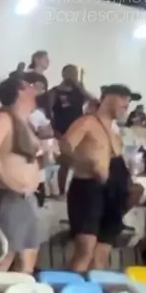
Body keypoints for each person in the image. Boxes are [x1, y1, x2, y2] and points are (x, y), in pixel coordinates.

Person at [61, 84, 141, 271]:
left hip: (112, 192)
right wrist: (88, 165)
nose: (127, 104)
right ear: (107, 98)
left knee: (101, 255)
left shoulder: (115, 133)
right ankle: (70, 287)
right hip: (88, 187)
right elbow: (64, 148)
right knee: (85, 251)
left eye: (129, 101)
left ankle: (95, 288)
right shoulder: (87, 122)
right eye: (123, 98)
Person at [0, 74, 43, 273]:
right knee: (4, 255)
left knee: (28, 257)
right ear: (19, 91)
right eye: (29, 86)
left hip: (26, 198)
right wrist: (11, 183)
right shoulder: (2, 118)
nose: (35, 90)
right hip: (7, 196)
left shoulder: (24, 122)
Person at [51, 64, 95, 195]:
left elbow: (93, 100)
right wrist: (54, 131)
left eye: (75, 73)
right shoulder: (56, 92)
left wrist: (81, 88)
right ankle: (61, 191)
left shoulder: (79, 91)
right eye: (71, 73)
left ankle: (79, 191)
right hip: (62, 131)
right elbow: (48, 111)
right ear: (63, 74)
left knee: (82, 161)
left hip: (79, 130)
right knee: (65, 162)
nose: (73, 76)